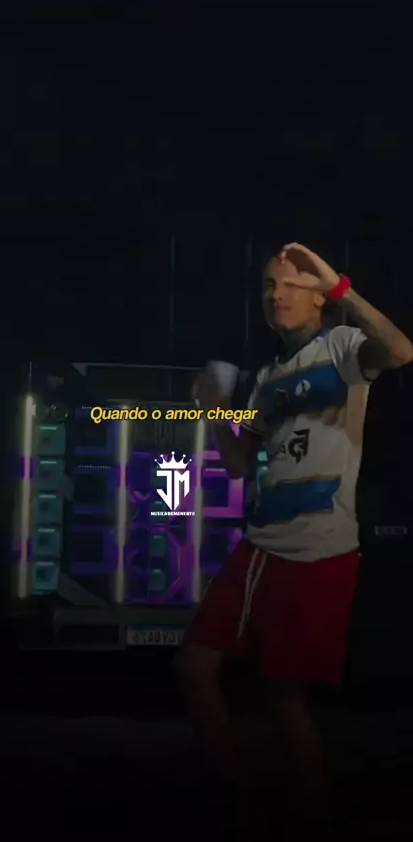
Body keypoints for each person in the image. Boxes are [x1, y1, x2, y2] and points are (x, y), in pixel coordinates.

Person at [175, 243, 413, 823]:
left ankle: (313, 815)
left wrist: (340, 286)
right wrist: (214, 408)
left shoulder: (342, 347)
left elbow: (401, 351)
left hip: (318, 552)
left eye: (289, 285)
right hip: (260, 547)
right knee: (193, 668)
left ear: (317, 297)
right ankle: (237, 801)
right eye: (267, 285)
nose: (275, 295)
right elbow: (238, 465)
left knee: (285, 699)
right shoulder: (265, 379)